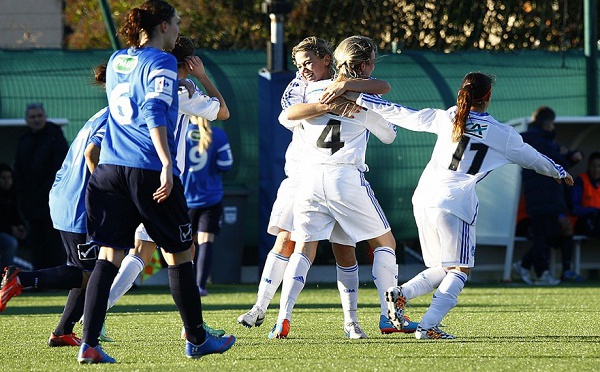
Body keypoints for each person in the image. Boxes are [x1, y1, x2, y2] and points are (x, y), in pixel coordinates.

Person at [344, 71, 573, 339]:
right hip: (456, 203)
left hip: (424, 198)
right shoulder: (502, 134)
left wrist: (359, 96)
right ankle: (428, 327)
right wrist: (559, 171)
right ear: (488, 97)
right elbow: (531, 158)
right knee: (460, 270)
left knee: (443, 267)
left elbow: (402, 113)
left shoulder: (448, 117)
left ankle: (402, 293)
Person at [78, 1, 234, 363]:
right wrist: (166, 162)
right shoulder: (162, 61)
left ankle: (88, 342)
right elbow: (152, 109)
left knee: (109, 255)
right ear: (163, 26)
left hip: (110, 169)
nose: (178, 29)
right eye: (176, 22)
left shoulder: (118, 59)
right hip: (146, 168)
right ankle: (196, 338)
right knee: (181, 254)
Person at [238, 36, 416, 339]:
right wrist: (354, 110)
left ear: (329, 59)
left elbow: (289, 115)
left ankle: (290, 318)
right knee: (384, 244)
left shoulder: (316, 89)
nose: (304, 69)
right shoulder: (342, 93)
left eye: (308, 62)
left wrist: (330, 100)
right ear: (366, 65)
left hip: (311, 179)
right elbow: (388, 132)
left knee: (313, 248)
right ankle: (388, 316)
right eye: (372, 61)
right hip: (341, 177)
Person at [99, 35, 229, 338]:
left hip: (125, 169)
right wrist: (202, 77)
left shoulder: (144, 83)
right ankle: (192, 330)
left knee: (143, 250)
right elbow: (223, 112)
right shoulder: (181, 92)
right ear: (189, 62)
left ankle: (189, 325)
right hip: (163, 178)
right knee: (181, 251)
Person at [0, 64, 110, 349]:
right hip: (79, 205)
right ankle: (22, 279)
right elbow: (91, 153)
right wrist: (104, 195)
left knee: (84, 269)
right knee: (91, 272)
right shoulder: (114, 117)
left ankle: (62, 332)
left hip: (65, 198)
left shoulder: (98, 114)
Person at [514, 106, 583, 285]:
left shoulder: (531, 139)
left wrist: (566, 155)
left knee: (547, 233)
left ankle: (524, 265)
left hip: (542, 194)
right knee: (543, 234)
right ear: (547, 123)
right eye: (552, 123)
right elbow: (555, 164)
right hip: (543, 194)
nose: (553, 127)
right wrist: (570, 158)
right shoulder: (542, 142)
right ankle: (542, 272)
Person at [182, 116, 233, 296]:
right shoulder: (218, 135)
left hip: (184, 198)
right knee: (206, 241)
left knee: (184, 244)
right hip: (210, 198)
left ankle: (185, 287)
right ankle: (200, 286)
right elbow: (226, 165)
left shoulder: (180, 134)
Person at [13, 102, 68, 269]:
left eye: (39, 116)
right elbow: (19, 169)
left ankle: (57, 277)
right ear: (27, 119)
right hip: (31, 203)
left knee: (53, 241)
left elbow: (60, 166)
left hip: (51, 200)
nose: (36, 120)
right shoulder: (24, 139)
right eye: (32, 117)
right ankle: (39, 278)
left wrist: (47, 191)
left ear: (45, 116)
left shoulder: (54, 135)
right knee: (36, 243)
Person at [0, 163, 27, 270]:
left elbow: (15, 215)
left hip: (8, 231)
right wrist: (11, 230)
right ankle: (6, 276)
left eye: (9, 177)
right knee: (11, 243)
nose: (7, 181)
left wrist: (20, 227)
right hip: (6, 232)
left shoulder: (12, 194)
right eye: (3, 177)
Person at [571, 151, 600, 238]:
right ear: (588, 166)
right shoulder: (581, 181)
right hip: (581, 222)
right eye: (593, 166)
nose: (596, 170)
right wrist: (593, 211)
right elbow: (574, 208)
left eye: (599, 166)